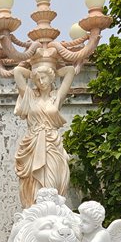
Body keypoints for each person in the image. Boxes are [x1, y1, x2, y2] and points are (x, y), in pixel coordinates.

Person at [12, 62, 76, 207]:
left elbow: (70, 71)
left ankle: (52, 215)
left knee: (51, 183)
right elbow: (17, 72)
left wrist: (52, 69)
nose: (41, 82)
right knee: (34, 185)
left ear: (51, 78)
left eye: (44, 78)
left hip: (52, 144)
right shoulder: (30, 96)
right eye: (38, 80)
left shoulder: (56, 97)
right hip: (33, 144)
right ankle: (35, 216)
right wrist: (35, 71)